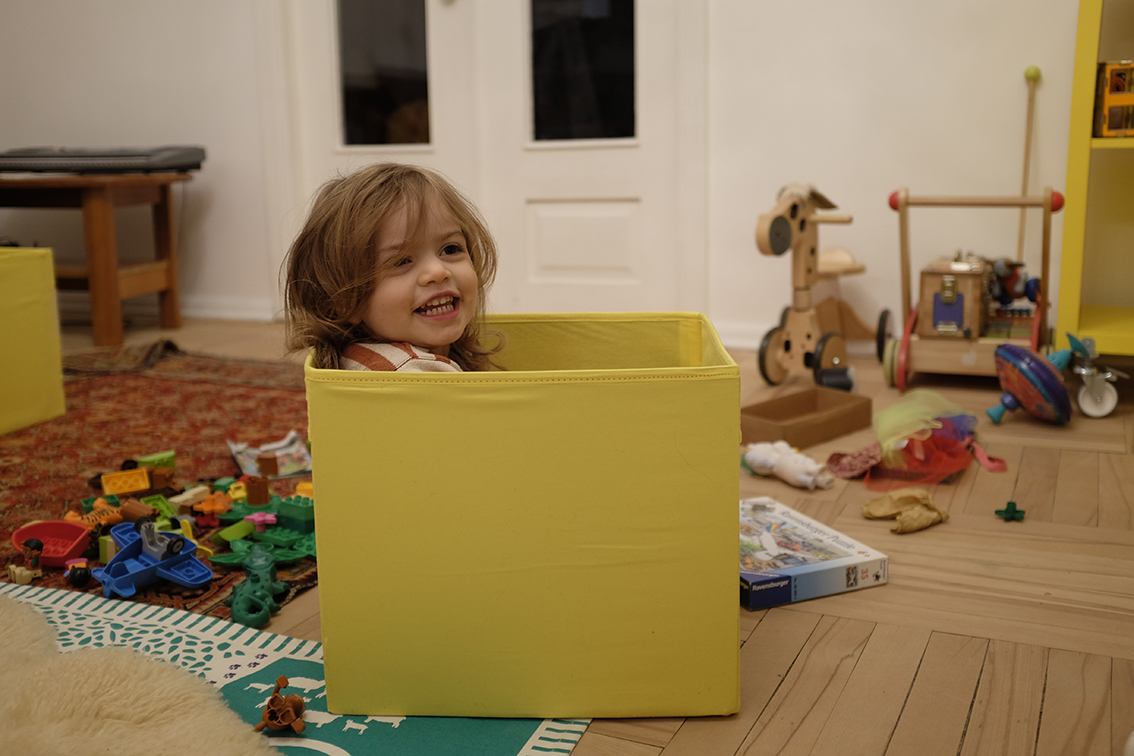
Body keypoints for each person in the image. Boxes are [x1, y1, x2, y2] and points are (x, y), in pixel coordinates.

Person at [284, 163, 500, 371]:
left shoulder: (363, 355)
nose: (437, 272)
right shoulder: (415, 372)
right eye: (401, 261)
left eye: (450, 249)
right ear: (345, 299)